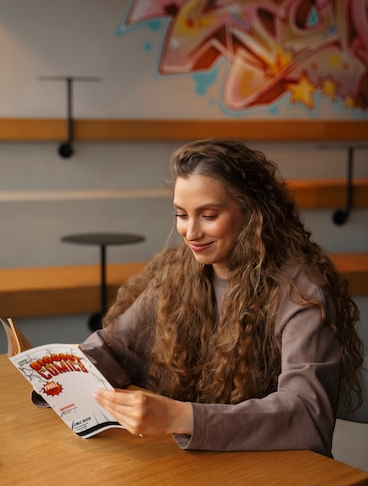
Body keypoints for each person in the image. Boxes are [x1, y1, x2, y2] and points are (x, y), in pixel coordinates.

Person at [81, 138, 364, 455]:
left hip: (273, 472)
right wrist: (58, 370)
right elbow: (115, 348)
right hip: (199, 465)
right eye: (182, 215)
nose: (191, 232)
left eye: (209, 215)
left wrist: (180, 416)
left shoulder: (300, 292)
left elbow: (306, 412)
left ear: (252, 213)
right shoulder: (175, 273)